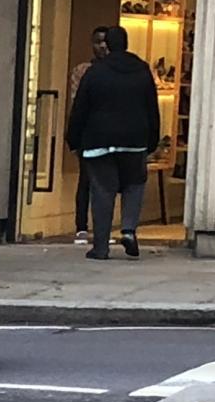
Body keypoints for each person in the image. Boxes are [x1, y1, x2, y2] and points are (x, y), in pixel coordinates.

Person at [64, 25, 160, 260]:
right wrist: (152, 142)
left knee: (102, 191)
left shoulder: (95, 73)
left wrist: (73, 139)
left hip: (99, 142)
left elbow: (81, 110)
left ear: (108, 44)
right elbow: (152, 109)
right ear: (126, 44)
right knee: (134, 185)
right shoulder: (142, 70)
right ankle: (128, 229)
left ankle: (101, 247)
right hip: (134, 141)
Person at [65, 26, 108, 244]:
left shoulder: (114, 70)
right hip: (88, 132)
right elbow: (77, 103)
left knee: (104, 182)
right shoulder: (82, 70)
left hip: (107, 132)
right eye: (97, 41)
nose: (101, 46)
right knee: (86, 180)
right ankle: (81, 226)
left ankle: (102, 226)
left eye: (104, 41)